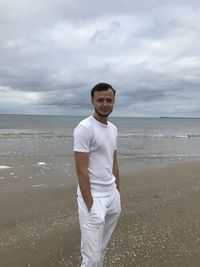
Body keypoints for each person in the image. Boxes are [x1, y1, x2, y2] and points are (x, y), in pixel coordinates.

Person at [73, 82, 121, 267]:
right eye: (100, 100)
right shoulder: (85, 128)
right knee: (91, 258)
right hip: (93, 197)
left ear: (114, 101)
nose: (105, 104)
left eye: (109, 100)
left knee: (100, 249)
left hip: (112, 196)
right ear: (92, 101)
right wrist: (91, 205)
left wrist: (117, 193)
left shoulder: (113, 129)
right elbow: (81, 170)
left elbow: (113, 162)